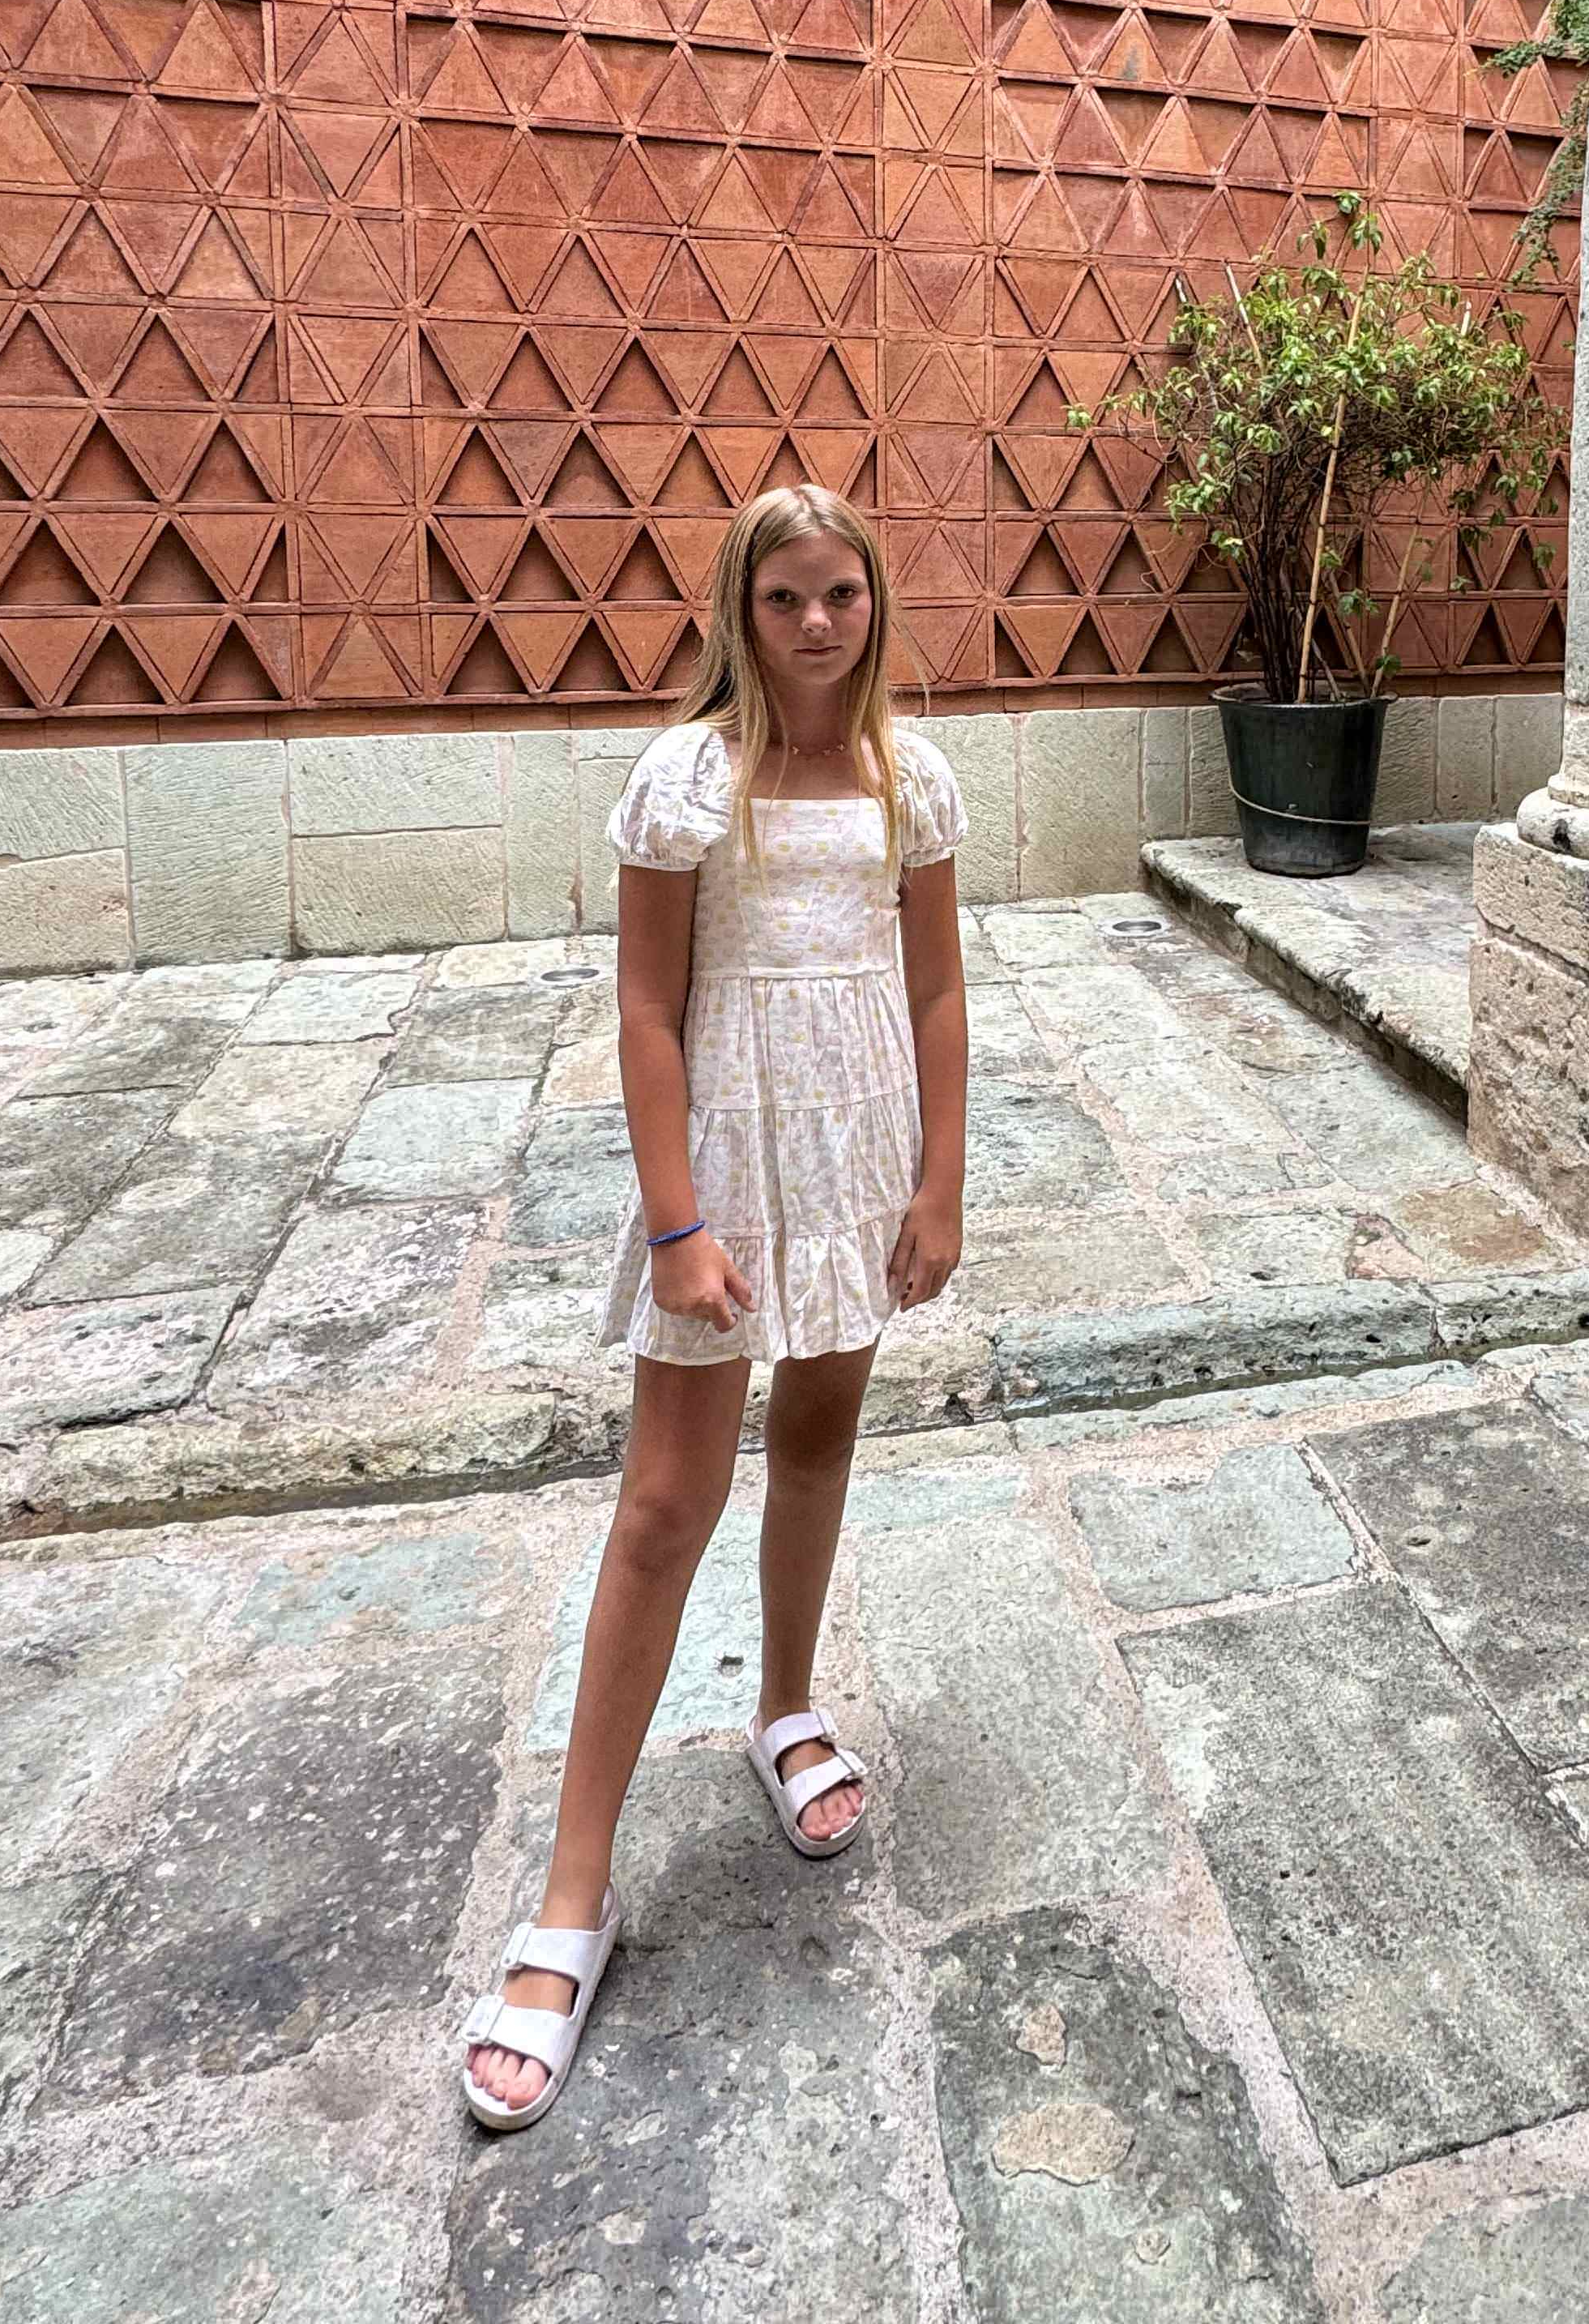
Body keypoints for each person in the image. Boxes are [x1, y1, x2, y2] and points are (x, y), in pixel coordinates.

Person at [459, 482, 969, 2128]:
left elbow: (938, 990)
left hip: (858, 1163)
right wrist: (677, 1223)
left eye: (843, 595)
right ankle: (571, 1893)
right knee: (664, 1503)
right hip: (729, 1176)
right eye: (785, 598)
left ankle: (786, 1707)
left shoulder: (910, 779)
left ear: (875, 605)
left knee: (818, 1436)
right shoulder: (687, 781)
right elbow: (646, 1010)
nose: (818, 624)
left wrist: (940, 1184)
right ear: (739, 613)